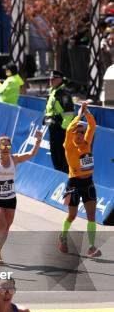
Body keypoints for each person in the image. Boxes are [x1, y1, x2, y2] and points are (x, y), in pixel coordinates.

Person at [0, 130, 43, 264]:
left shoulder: (14, 159)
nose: (5, 148)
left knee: (6, 227)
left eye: (8, 146)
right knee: (2, 225)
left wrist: (38, 140)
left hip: (10, 199)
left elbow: (31, 154)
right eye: (3, 146)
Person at [57, 102, 102, 258]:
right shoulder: (69, 146)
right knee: (72, 215)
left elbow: (93, 125)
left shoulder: (87, 143)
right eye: (78, 133)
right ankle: (63, 236)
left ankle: (91, 246)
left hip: (88, 182)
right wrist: (79, 115)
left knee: (91, 216)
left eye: (82, 132)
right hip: (74, 183)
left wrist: (86, 110)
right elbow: (69, 129)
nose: (81, 135)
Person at [43, 70, 74, 173]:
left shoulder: (64, 93)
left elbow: (69, 113)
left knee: (61, 156)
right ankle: (58, 177)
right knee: (54, 154)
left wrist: (63, 129)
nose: (51, 80)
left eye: (54, 79)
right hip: (53, 127)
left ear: (60, 79)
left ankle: (66, 178)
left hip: (61, 129)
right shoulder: (52, 91)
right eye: (50, 78)